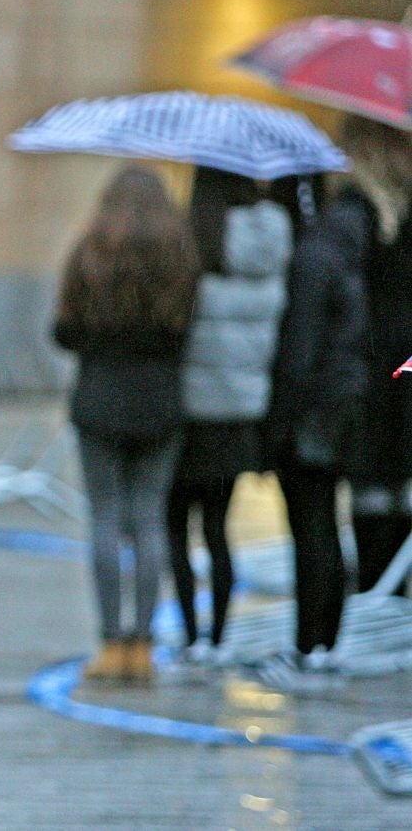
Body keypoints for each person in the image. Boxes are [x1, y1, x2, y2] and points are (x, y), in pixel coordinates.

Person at [53, 165, 199, 684]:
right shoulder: (181, 255)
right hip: (161, 405)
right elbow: (185, 333)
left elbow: (64, 332)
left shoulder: (90, 251)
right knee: (150, 521)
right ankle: (144, 648)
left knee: (106, 521)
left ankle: (111, 642)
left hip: (100, 402)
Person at [166, 167, 292, 667]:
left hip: (188, 408)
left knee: (177, 528)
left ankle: (188, 634)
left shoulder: (194, 233)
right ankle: (218, 639)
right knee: (219, 530)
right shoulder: (273, 237)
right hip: (241, 410)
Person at [259, 173, 369, 692]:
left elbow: (298, 353)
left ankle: (310, 643)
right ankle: (327, 640)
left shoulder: (311, 258)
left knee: (310, 529)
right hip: (344, 401)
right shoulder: (348, 249)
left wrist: (277, 424)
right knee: (327, 523)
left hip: (312, 411)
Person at [339, 117, 412, 595]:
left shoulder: (355, 211)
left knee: (374, 488)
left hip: (372, 365)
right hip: (397, 365)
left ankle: (376, 590)